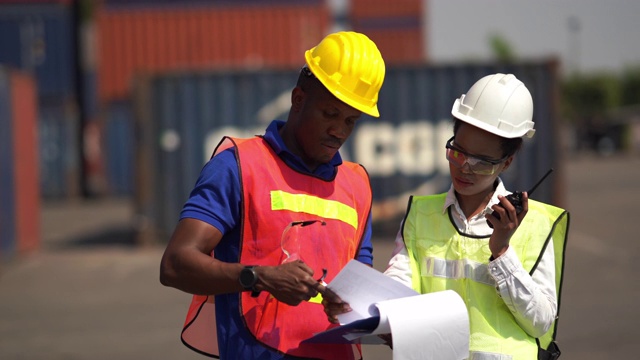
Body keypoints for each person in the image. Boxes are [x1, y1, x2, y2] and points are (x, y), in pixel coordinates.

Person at [159, 31, 385, 360]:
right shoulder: (238, 165)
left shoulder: (357, 184)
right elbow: (175, 265)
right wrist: (259, 277)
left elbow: (359, 291)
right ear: (298, 99)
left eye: (350, 120)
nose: (339, 130)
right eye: (330, 114)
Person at [323, 73, 569, 360]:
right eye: (458, 152)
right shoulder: (420, 214)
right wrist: (360, 306)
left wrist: (502, 252)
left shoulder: (536, 224)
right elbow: (398, 290)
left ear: (507, 162)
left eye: (481, 162)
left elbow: (540, 322)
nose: (464, 167)